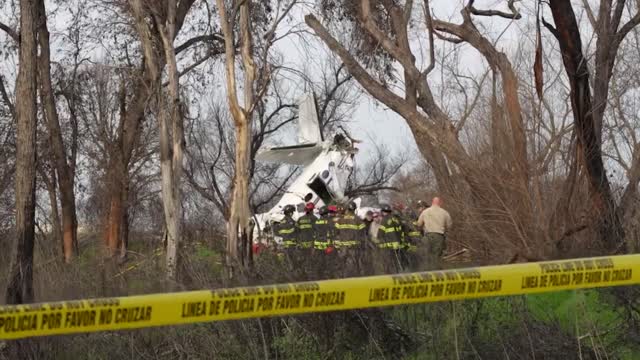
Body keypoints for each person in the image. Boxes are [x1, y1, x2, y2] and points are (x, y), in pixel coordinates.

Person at [416, 197, 452, 269]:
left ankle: (426, 272)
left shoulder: (425, 212)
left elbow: (419, 224)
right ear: (440, 203)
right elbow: (449, 226)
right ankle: (436, 273)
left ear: (432, 202)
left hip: (427, 236)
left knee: (426, 256)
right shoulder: (445, 212)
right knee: (436, 257)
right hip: (439, 236)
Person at [333, 201, 366, 276]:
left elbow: (336, 232)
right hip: (353, 247)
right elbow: (363, 232)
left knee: (342, 265)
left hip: (343, 247)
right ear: (354, 209)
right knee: (353, 266)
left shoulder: (340, 219)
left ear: (347, 209)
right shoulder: (358, 219)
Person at [377, 204, 403, 274]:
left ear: (383, 212)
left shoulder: (384, 219)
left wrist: (378, 241)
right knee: (398, 262)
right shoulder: (396, 219)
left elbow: (380, 233)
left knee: (390, 263)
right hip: (398, 245)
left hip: (389, 245)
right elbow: (400, 231)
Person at [276, 205, 299, 273]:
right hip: (291, 244)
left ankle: (287, 272)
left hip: (285, 243)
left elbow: (279, 232)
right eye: (292, 212)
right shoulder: (291, 221)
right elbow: (295, 231)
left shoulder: (281, 221)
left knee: (288, 260)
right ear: (290, 213)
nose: (293, 213)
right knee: (293, 262)